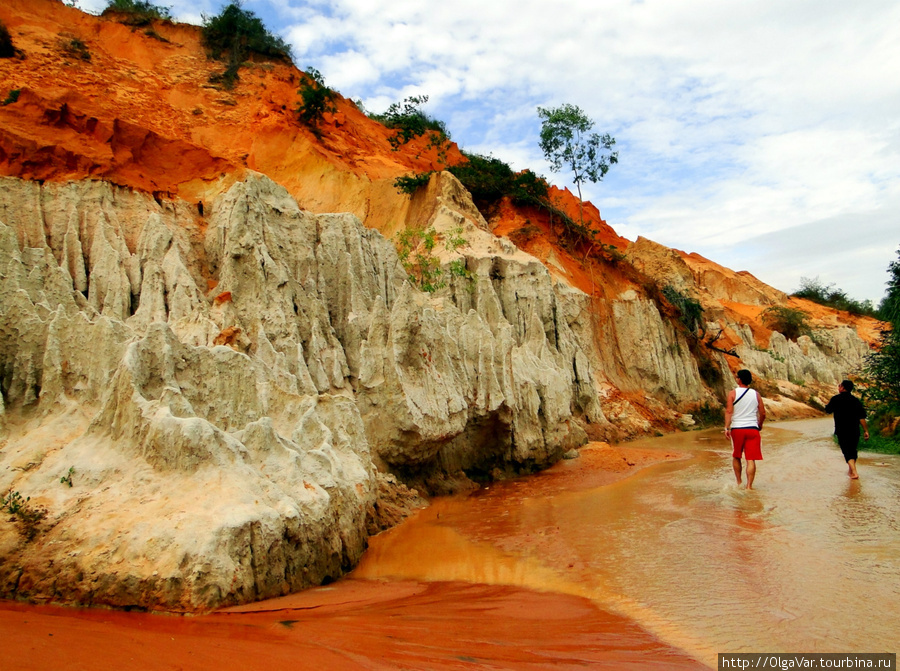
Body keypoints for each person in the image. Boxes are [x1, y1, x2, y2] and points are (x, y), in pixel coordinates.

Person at [724, 369, 766, 489]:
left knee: (737, 456)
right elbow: (762, 413)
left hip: (737, 429)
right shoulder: (756, 394)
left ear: (740, 379)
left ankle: (738, 482)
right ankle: (749, 486)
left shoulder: (732, 393)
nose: (736, 378)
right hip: (752, 429)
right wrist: (760, 424)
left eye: (737, 377)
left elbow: (729, 411)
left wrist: (726, 427)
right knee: (751, 459)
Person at [824, 380, 869, 479]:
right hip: (855, 430)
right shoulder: (856, 401)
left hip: (842, 430)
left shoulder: (836, 399)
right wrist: (866, 430)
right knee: (853, 450)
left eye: (839, 386)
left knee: (846, 451)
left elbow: (828, 410)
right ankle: (851, 471)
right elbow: (862, 417)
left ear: (843, 388)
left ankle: (854, 472)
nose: (838, 387)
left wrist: (827, 405)